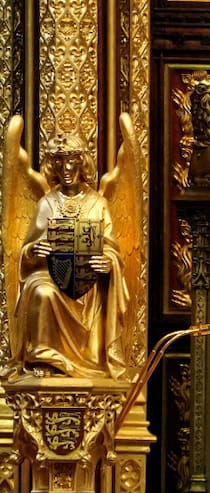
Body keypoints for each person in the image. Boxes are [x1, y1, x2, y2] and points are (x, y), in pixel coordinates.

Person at [11, 131, 130, 379]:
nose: (65, 168)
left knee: (74, 290)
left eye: (71, 161)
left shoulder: (97, 203)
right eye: (58, 162)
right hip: (50, 276)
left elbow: (111, 248)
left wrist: (107, 261)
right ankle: (44, 357)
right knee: (41, 291)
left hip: (87, 287)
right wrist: (34, 251)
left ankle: (89, 357)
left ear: (82, 162)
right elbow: (27, 250)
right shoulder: (47, 203)